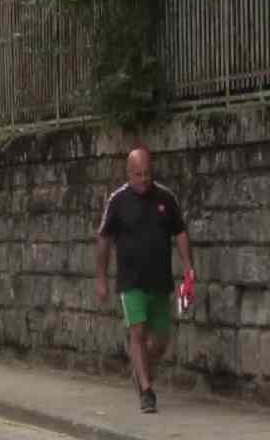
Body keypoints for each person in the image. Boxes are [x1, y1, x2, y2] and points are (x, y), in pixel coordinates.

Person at [96, 146, 196, 414]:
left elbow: (181, 232)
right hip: (131, 282)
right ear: (128, 173)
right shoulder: (117, 201)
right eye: (138, 174)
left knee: (161, 340)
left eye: (147, 174)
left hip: (160, 281)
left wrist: (188, 267)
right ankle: (146, 390)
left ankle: (141, 371)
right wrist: (102, 278)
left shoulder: (166, 197)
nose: (143, 179)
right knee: (138, 331)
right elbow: (104, 240)